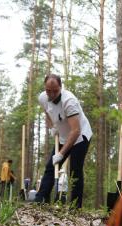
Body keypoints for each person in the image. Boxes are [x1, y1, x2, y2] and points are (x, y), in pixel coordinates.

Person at [34, 74, 92, 208]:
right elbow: (47, 112)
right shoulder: (43, 97)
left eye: (55, 91)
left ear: (60, 87)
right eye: (49, 90)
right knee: (50, 167)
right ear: (45, 88)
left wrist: (61, 154)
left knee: (75, 171)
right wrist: (52, 126)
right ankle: (40, 200)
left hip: (79, 137)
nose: (52, 94)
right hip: (63, 136)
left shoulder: (69, 101)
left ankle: (75, 207)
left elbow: (76, 130)